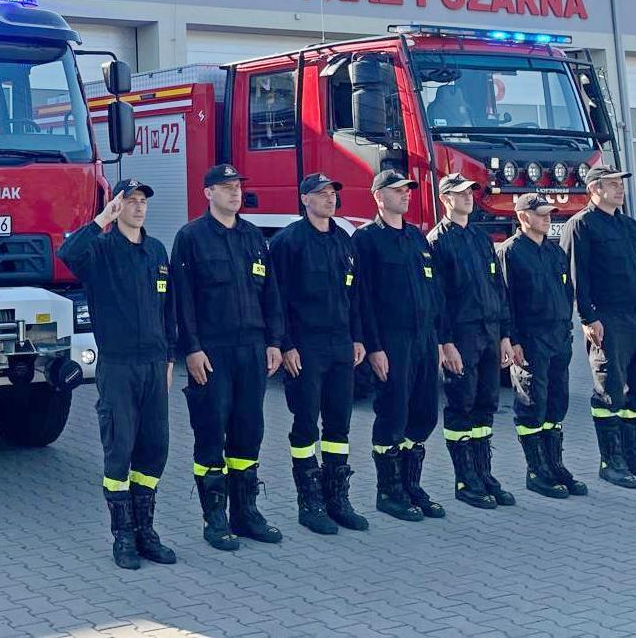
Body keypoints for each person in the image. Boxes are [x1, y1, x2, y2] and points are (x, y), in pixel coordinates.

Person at [57, 179, 177, 570]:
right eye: (131, 201)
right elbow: (67, 253)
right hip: (118, 365)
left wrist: (169, 360)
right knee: (119, 447)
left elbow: (168, 310)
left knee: (154, 448)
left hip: (154, 366)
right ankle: (123, 536)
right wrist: (100, 220)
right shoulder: (100, 250)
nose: (139, 207)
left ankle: (146, 532)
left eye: (143, 201)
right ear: (117, 206)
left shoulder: (156, 251)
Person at [172, 163, 285, 550]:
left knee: (249, 430)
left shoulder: (253, 237)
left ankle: (246, 512)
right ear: (208, 193)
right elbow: (183, 300)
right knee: (210, 432)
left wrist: (274, 341)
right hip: (212, 351)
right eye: (226, 187)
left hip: (252, 349)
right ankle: (215, 517)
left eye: (237, 186)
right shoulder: (191, 237)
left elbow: (271, 294)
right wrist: (191, 348)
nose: (235, 192)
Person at [270, 173, 370, 536]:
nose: (330, 199)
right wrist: (286, 344)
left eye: (332, 193)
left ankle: (337, 499)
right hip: (305, 348)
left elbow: (354, 296)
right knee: (306, 424)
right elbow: (276, 299)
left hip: (340, 346)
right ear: (305, 200)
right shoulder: (288, 243)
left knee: (338, 424)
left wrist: (358, 338)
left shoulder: (343, 240)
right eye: (322, 193)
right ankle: (309, 503)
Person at [559, 166, 636, 489]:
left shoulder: (630, 226)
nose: (620, 189)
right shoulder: (581, 225)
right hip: (607, 319)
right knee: (610, 389)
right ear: (594, 189)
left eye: (620, 184)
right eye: (612, 184)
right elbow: (576, 276)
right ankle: (611, 461)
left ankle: (633, 455)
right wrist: (587, 317)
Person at [352, 169, 445, 522]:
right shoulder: (366, 240)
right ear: (379, 196)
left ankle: (410, 485)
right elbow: (362, 299)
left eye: (407, 189)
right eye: (397, 190)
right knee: (393, 412)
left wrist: (440, 339)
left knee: (424, 413)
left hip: (424, 338)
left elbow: (433, 291)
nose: (406, 194)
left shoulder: (416, 237)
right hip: (392, 341)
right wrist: (374, 347)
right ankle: (388, 492)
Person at [427, 173, 516, 510]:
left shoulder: (480, 238)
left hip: (489, 332)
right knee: (461, 404)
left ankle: (483, 473)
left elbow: (498, 289)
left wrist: (505, 334)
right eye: (461, 193)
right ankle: (465, 479)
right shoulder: (437, 242)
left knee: (486, 403)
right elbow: (437, 299)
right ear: (445, 199)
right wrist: (445, 342)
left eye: (470, 192)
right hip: (461, 335)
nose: (468, 197)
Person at [496, 194, 587, 499]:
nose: (548, 218)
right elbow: (505, 300)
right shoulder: (511, 252)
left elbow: (567, 291)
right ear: (523, 217)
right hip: (530, 340)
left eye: (550, 213)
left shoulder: (554, 251)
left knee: (556, 403)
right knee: (532, 403)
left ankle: (555, 465)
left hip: (558, 338)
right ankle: (536, 471)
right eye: (541, 214)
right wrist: (513, 339)